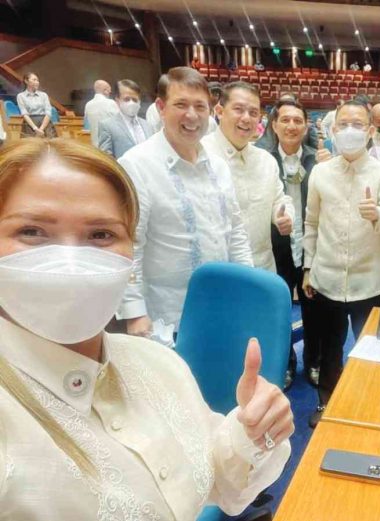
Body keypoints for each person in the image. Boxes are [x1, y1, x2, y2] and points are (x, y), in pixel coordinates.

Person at [0, 137, 292, 519]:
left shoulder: (158, 364)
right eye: (32, 232)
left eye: (101, 235)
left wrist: (252, 429)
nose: (71, 260)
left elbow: (215, 480)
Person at [117, 67, 253, 337]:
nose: (192, 116)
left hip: (221, 306)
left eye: (200, 106)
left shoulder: (218, 166)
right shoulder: (136, 165)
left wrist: (249, 287)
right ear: (161, 107)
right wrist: (135, 312)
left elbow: (235, 232)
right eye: (181, 104)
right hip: (166, 317)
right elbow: (129, 243)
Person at [303, 100, 380, 428]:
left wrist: (379, 213)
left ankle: (370, 404)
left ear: (370, 130)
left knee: (371, 349)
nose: (350, 130)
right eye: (343, 124)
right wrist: (307, 267)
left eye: (358, 124)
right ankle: (327, 402)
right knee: (328, 350)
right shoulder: (320, 172)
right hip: (327, 278)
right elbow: (311, 224)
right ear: (333, 130)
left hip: (370, 281)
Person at [202, 81, 293, 273]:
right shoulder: (199, 155)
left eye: (253, 113)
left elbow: (279, 198)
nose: (246, 118)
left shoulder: (266, 160)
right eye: (238, 110)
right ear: (219, 111)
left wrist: (283, 215)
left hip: (263, 266)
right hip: (219, 269)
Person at [267, 98, 322, 388]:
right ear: (274, 125)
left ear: (305, 125)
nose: (291, 125)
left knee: (314, 309)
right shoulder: (263, 159)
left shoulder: (318, 159)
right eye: (285, 120)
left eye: (297, 120)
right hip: (276, 249)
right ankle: (285, 364)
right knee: (279, 310)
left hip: (310, 246)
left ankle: (314, 361)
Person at [98, 79, 154, 158]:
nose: (131, 103)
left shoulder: (148, 125)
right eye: (127, 99)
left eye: (135, 100)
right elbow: (107, 159)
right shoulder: (107, 126)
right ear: (117, 100)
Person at [16, 72, 57, 139]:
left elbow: (48, 113)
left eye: (37, 80)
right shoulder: (20, 96)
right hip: (30, 124)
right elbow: (24, 114)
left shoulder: (44, 95)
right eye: (34, 80)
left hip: (45, 123)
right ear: (26, 81)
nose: (37, 82)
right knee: (29, 147)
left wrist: (41, 129)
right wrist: (35, 128)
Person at [84, 79, 119, 147]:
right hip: (109, 145)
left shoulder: (88, 104)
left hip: (94, 145)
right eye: (109, 90)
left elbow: (86, 125)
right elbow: (120, 123)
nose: (110, 92)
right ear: (105, 91)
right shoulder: (111, 103)